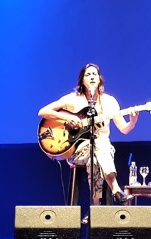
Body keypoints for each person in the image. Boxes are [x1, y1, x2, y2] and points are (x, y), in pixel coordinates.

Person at [38, 63, 139, 205]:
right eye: (87, 74)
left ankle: (95, 205)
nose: (91, 77)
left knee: (96, 155)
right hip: (77, 151)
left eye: (94, 74)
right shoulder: (72, 99)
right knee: (98, 145)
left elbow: (124, 129)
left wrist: (133, 122)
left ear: (100, 79)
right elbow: (43, 112)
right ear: (82, 80)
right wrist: (68, 118)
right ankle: (115, 189)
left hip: (101, 152)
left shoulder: (109, 102)